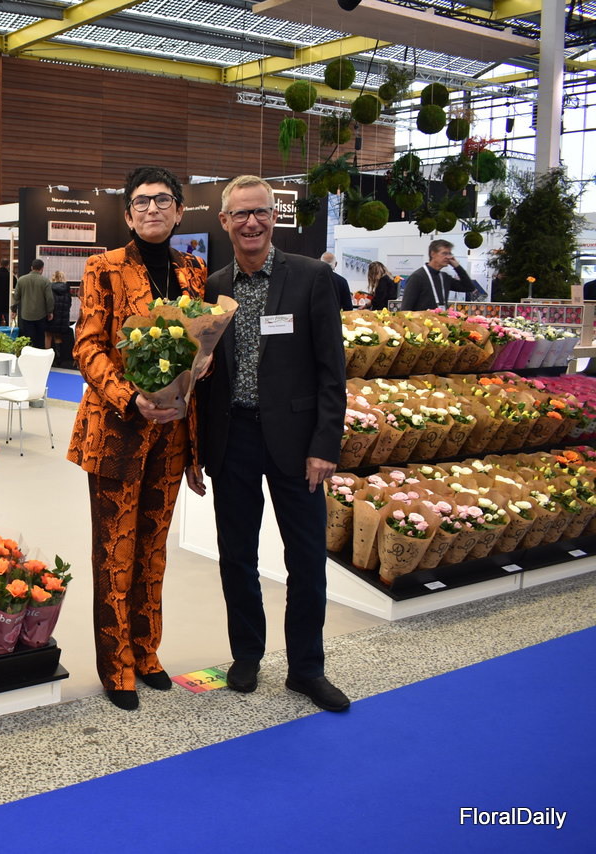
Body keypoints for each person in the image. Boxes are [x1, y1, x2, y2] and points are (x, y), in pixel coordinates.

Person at [187, 175, 350, 713]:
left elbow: (332, 371)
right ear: (224, 221)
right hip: (233, 437)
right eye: (240, 214)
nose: (251, 222)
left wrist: (325, 444)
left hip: (299, 444)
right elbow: (200, 379)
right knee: (237, 555)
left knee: (306, 558)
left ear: (274, 217)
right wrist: (196, 450)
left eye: (260, 212)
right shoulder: (213, 287)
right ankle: (247, 656)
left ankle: (307, 668)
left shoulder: (311, 278)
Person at [67, 166, 208, 711]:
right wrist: (130, 396)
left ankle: (147, 653)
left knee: (153, 548)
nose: (153, 209)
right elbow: (88, 346)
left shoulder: (193, 270)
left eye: (163, 200)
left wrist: (202, 367)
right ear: (128, 215)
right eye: (142, 202)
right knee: (115, 551)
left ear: (179, 210)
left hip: (173, 432)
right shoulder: (103, 267)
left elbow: (200, 344)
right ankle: (117, 665)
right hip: (118, 430)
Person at [399, 239, 474, 311]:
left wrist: (457, 267)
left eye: (449, 254)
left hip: (440, 318)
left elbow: (469, 288)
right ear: (433, 254)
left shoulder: (444, 277)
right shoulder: (417, 277)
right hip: (422, 319)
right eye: (444, 253)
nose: (448, 257)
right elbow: (406, 308)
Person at [12, 259, 52, 349]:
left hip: (26, 315)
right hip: (41, 315)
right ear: (42, 269)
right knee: (40, 339)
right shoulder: (45, 281)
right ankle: (39, 355)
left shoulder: (21, 280)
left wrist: (14, 310)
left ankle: (29, 355)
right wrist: (50, 311)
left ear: (31, 268)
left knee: (28, 340)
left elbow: (16, 297)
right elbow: (49, 299)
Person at [45, 271, 74, 366]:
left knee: (48, 336)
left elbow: (48, 302)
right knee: (58, 337)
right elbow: (69, 304)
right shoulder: (66, 290)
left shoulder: (49, 289)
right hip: (62, 318)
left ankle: (48, 359)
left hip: (51, 317)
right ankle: (59, 358)